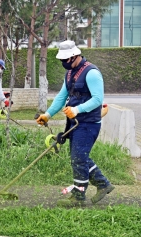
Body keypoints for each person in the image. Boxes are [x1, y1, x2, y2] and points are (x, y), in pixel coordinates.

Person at [36, 40, 114, 207]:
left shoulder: (91, 73)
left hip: (89, 123)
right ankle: (103, 184)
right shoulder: (70, 73)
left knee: (78, 157)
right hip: (76, 123)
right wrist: (48, 114)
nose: (64, 63)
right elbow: (61, 97)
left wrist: (77, 110)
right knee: (79, 157)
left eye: (66, 60)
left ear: (75, 56)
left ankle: (79, 196)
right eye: (61, 60)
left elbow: (98, 99)